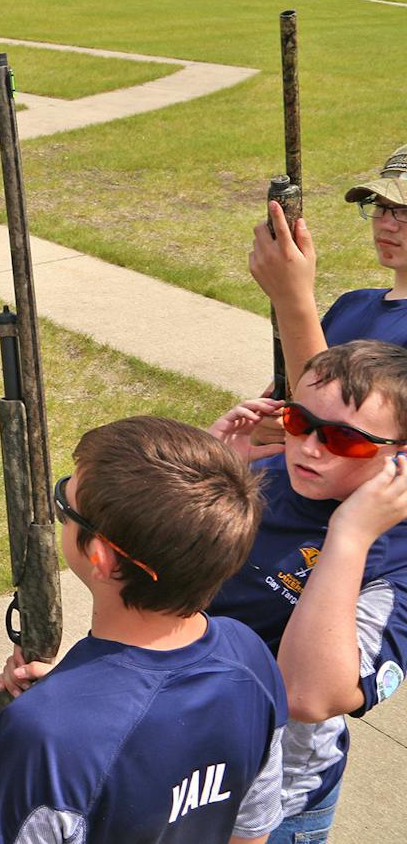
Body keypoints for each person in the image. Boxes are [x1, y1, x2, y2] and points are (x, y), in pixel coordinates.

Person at [0, 417, 286, 844]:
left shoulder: (47, 739)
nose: (59, 513)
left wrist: (59, 713)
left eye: (63, 507)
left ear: (103, 557)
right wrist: (75, 693)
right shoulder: (250, 655)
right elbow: (252, 826)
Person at [204, 341, 407, 842]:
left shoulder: (397, 558)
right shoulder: (257, 473)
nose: (311, 448)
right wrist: (204, 479)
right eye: (299, 421)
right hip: (168, 750)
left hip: (269, 802)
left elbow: (308, 694)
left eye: (346, 439)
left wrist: (350, 536)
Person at [250, 145, 407, 394]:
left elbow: (331, 417)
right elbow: (294, 402)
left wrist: (293, 301)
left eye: (404, 211)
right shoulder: (350, 304)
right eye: (380, 206)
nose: (386, 223)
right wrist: (264, 427)